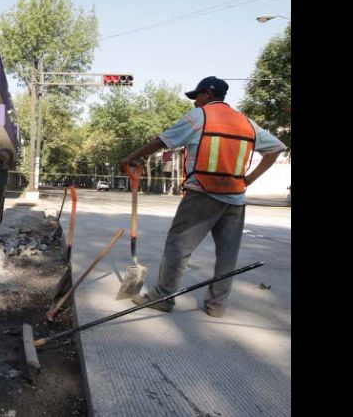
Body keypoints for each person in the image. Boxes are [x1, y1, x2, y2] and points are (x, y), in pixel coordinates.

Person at [120, 76, 286, 318]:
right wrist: (248, 180)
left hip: (202, 194)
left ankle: (163, 297)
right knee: (227, 255)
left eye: (196, 96)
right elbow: (275, 149)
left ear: (208, 93)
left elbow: (162, 140)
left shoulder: (200, 116)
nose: (195, 102)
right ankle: (217, 305)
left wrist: (130, 158)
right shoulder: (246, 123)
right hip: (235, 199)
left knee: (178, 246)